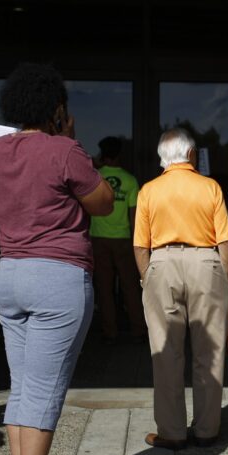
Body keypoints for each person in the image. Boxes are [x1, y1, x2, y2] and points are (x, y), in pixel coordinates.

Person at [0, 63, 114, 455]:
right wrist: (70, 139)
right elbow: (103, 202)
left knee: (23, 388)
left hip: (10, 273)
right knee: (43, 391)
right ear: (57, 108)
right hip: (56, 275)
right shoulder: (63, 150)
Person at [133, 127, 228, 450]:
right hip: (206, 263)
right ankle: (207, 429)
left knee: (165, 353)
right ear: (191, 154)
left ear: (163, 157)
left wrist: (147, 277)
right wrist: (225, 280)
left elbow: (140, 246)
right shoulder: (210, 187)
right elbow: (225, 240)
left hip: (162, 263)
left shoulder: (149, 190)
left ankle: (173, 431)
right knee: (210, 352)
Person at [90, 136, 146, 344]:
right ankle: (138, 329)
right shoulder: (130, 180)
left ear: (103, 154)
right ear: (120, 154)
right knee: (130, 286)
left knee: (104, 287)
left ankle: (109, 331)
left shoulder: (95, 178)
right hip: (123, 239)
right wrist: (136, 242)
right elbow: (134, 216)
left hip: (98, 238)